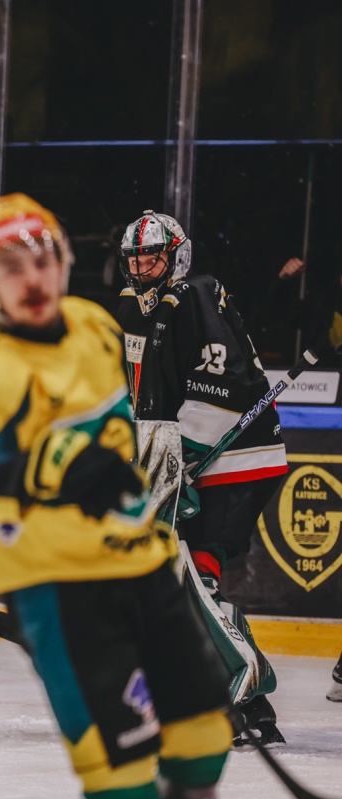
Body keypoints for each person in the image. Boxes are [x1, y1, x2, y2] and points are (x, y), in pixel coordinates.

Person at [0, 194, 231, 799]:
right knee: (121, 783)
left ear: (64, 263)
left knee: (204, 741)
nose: (31, 279)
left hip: (142, 565)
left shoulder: (95, 327)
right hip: (61, 591)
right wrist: (47, 470)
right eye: (9, 268)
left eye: (42, 261)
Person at [115, 210, 288, 745]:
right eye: (135, 260)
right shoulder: (139, 308)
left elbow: (221, 383)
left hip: (234, 457)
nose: (141, 268)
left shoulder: (192, 295)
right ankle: (254, 710)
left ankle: (238, 685)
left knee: (184, 577)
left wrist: (181, 452)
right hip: (199, 456)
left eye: (152, 258)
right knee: (192, 577)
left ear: (177, 256)